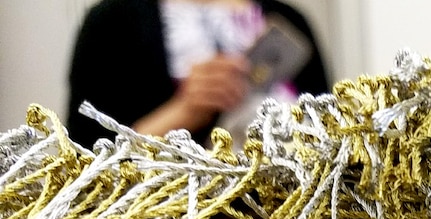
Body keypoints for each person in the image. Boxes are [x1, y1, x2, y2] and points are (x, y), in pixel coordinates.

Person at [66, 0, 330, 147]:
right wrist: (184, 112)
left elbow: (331, 136)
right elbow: (84, 167)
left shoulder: (290, 21)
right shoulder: (112, 24)